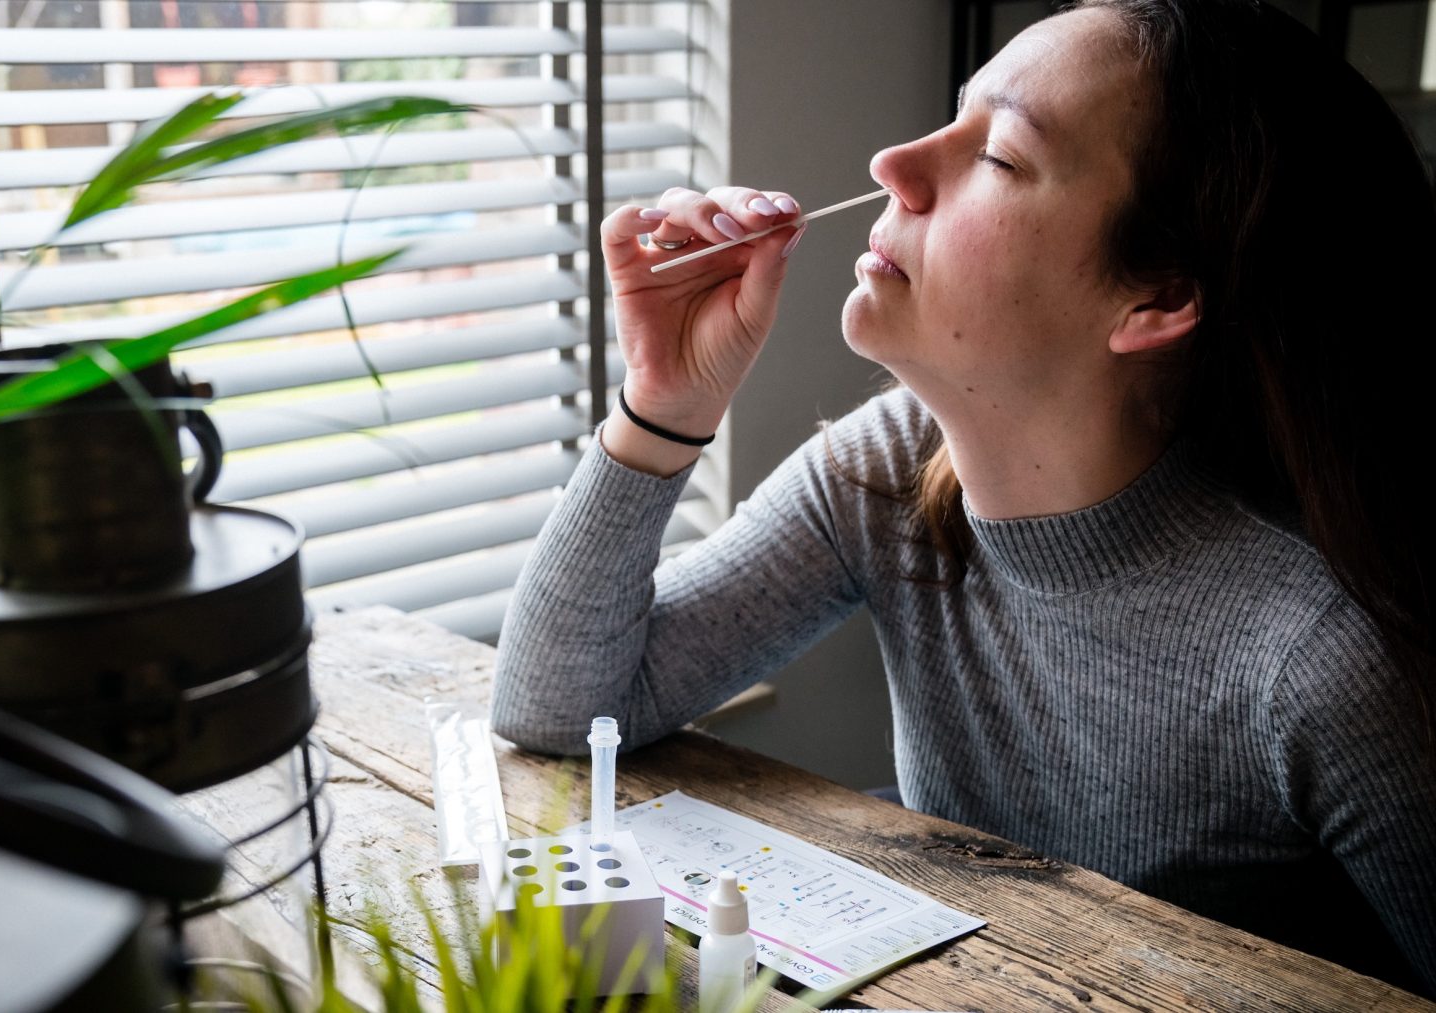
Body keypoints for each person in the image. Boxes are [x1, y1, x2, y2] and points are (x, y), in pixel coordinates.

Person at [490, 0, 1436, 996]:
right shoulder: (889, 468)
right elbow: (558, 708)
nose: (893, 163)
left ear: (1152, 299)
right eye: (955, 115)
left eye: (1002, 156)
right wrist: (663, 404)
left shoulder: (1322, 662)